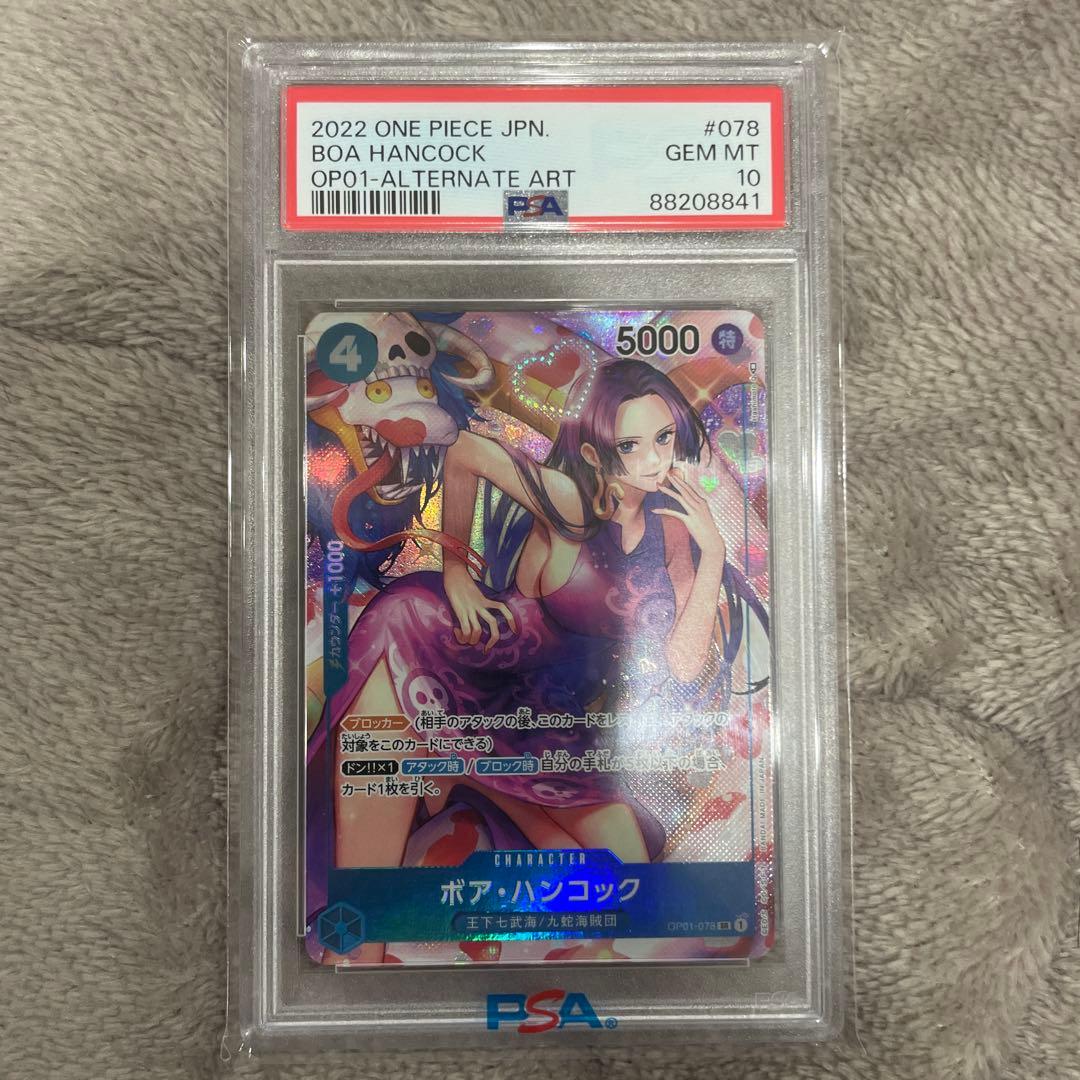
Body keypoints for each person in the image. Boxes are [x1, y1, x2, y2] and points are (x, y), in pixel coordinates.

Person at [310, 358, 755, 962]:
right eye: (630, 445)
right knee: (367, 898)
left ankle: (471, 773)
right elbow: (463, 450)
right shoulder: (570, 501)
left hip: (538, 710)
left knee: (626, 871)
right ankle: (359, 954)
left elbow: (680, 664)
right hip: (448, 645)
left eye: (663, 437)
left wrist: (714, 555)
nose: (653, 460)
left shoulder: (670, 529)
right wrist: (456, 575)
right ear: (595, 452)